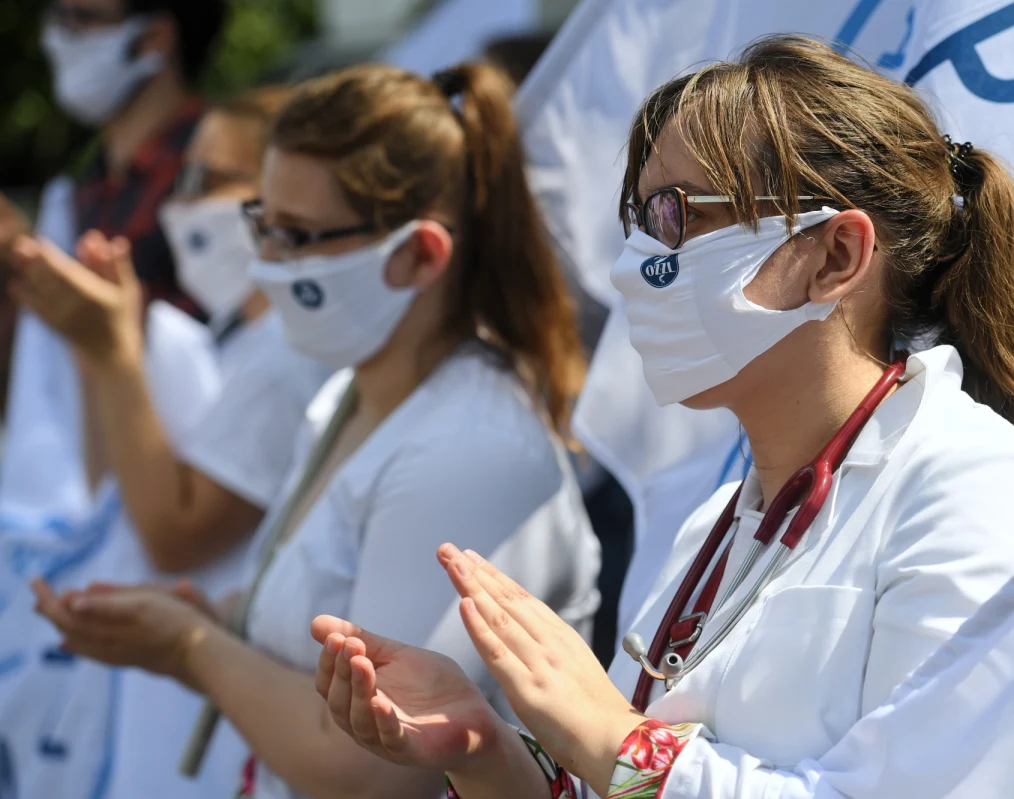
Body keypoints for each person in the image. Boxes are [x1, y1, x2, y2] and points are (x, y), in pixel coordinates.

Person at [304, 34, 1014, 799]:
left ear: (837, 256)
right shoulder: (716, 522)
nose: (632, 264)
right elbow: (626, 788)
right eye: (638, 219)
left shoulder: (980, 490)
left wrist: (613, 739)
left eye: (674, 214)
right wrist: (486, 753)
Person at [33, 61, 602, 799]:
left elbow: (378, 767)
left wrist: (190, 647)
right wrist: (203, 621)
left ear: (418, 254)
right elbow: (318, 636)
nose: (267, 263)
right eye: (263, 225)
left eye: (297, 236)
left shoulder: (471, 448)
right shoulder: (350, 395)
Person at [10, 85, 334, 798]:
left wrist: (114, 354)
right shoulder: (227, 338)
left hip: (221, 709)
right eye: (180, 178)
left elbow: (173, 534)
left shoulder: (288, 353)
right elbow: (114, 490)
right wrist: (97, 350)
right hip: (173, 699)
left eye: (206, 178)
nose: (181, 202)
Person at [0, 0, 227, 523]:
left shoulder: (218, 173)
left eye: (82, 18)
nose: (58, 37)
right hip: (99, 507)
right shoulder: (82, 190)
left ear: (154, 38)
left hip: (193, 509)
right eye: (56, 16)